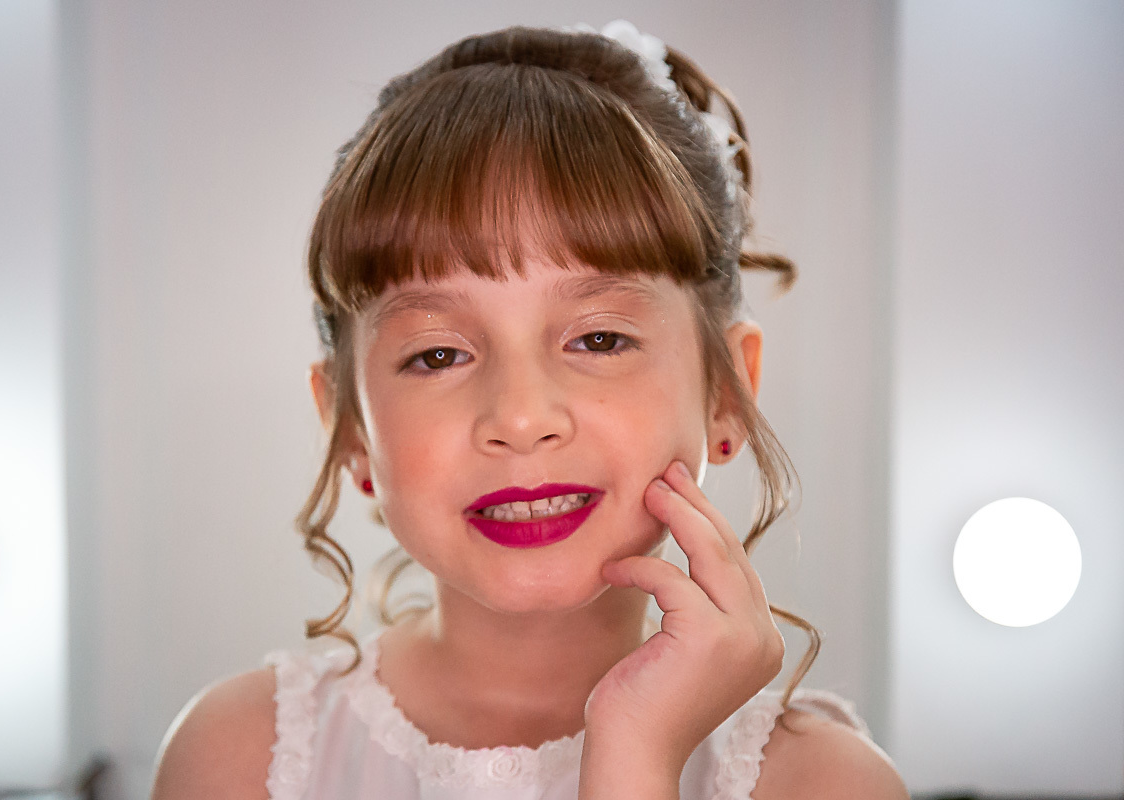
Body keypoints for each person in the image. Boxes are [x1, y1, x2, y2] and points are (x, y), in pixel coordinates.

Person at [151, 20, 909, 800]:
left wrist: (639, 752)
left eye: (599, 339)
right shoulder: (238, 758)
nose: (519, 418)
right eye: (438, 355)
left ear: (726, 393)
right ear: (349, 429)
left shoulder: (825, 784)